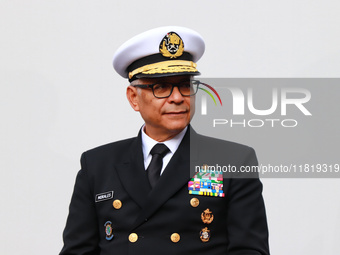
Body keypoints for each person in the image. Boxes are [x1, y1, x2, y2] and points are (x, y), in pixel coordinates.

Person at [60, 26, 270, 255]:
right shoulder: (98, 164)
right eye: (161, 87)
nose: (178, 98)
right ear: (134, 98)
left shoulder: (233, 160)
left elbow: (250, 250)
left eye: (184, 85)